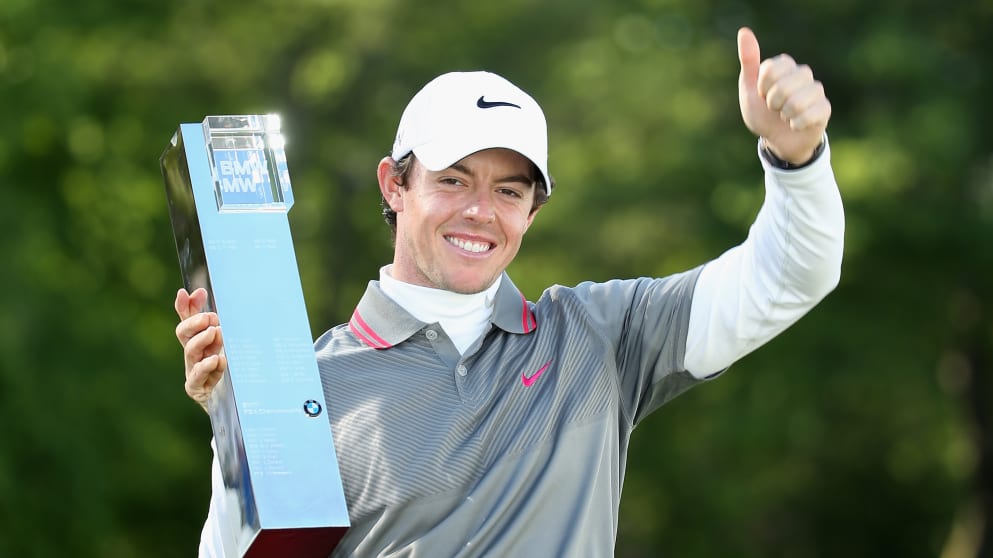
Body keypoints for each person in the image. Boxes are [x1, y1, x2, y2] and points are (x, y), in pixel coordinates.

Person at [175, 27, 844, 557]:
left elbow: (790, 275)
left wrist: (796, 161)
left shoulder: (602, 336)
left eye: (508, 190)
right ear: (393, 185)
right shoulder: (309, 388)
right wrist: (238, 426)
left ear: (532, 212)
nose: (479, 211)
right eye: (453, 180)